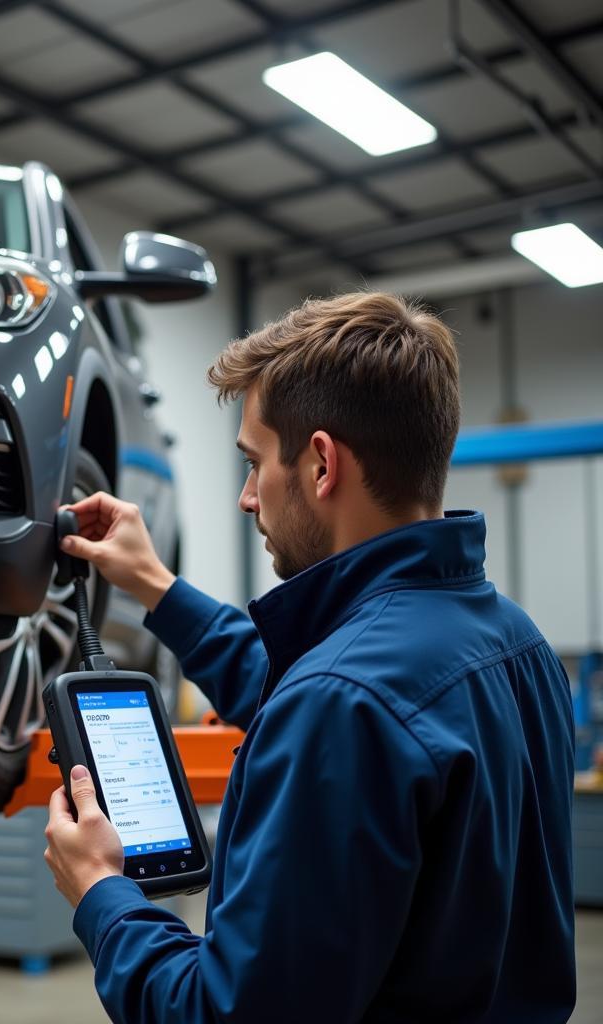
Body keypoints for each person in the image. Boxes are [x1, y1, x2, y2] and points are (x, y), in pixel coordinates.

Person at [43, 292, 575, 1023]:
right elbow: (309, 687)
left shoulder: (342, 699)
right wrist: (156, 587)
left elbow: (225, 1013)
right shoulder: (517, 642)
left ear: (322, 464)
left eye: (254, 462)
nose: (246, 498)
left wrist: (104, 896)